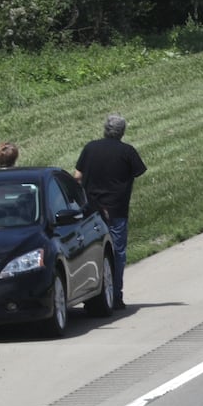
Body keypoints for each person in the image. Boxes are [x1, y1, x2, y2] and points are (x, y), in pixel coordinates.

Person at [74, 113, 147, 309]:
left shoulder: (90, 148)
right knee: (117, 253)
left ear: (105, 129)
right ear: (122, 132)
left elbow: (77, 177)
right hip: (117, 210)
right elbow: (138, 171)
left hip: (92, 211)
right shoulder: (127, 152)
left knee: (92, 252)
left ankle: (93, 296)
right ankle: (115, 296)